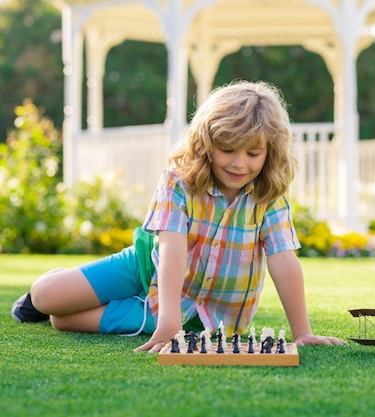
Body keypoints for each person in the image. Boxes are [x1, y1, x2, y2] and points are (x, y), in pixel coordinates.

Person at [12, 80, 345, 352]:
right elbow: (172, 249)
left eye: (253, 153)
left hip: (201, 315)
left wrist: (302, 332)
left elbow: (284, 261)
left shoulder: (268, 194)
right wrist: (167, 321)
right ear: (206, 142)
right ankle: (67, 282)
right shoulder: (179, 179)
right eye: (227, 149)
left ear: (269, 152)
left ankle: (130, 310)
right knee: (46, 296)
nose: (239, 164)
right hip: (146, 267)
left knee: (62, 319)